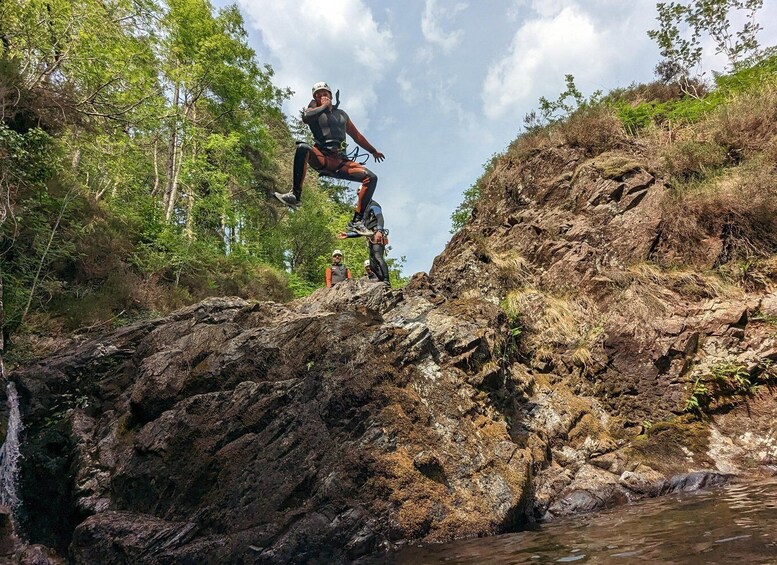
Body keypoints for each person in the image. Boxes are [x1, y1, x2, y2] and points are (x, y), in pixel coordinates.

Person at [274, 81, 385, 236]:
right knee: (303, 148)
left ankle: (357, 221)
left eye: (325, 94)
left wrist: (373, 151)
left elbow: (357, 136)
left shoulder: (342, 115)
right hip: (322, 157)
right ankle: (295, 195)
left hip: (341, 161)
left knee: (371, 178)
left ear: (331, 96)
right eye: (319, 95)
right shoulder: (313, 111)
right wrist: (323, 107)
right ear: (315, 98)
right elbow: (306, 117)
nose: (323, 96)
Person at [337, 200, 390, 286]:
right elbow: (362, 232)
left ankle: (386, 280)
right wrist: (348, 235)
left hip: (377, 235)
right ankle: (382, 281)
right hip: (370, 238)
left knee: (378, 256)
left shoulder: (373, 205)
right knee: (372, 265)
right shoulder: (364, 214)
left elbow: (380, 217)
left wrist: (379, 230)